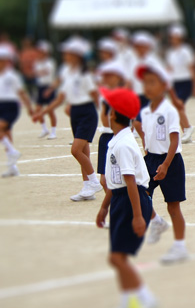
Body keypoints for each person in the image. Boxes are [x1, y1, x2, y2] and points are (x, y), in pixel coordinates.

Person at [94, 87, 157, 308]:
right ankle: (126, 303)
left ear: (112, 114)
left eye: (106, 109)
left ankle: (145, 299)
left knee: (118, 258)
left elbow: (131, 183)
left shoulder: (122, 145)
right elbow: (115, 182)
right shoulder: (117, 140)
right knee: (116, 257)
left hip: (131, 201)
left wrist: (138, 216)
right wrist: (104, 207)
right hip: (121, 199)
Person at [134, 62, 189, 265]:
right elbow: (144, 133)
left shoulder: (169, 111)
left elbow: (175, 139)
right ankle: (156, 221)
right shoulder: (146, 111)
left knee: (173, 207)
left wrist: (165, 165)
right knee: (138, 193)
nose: (147, 87)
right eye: (145, 83)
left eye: (152, 82)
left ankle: (180, 247)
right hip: (151, 159)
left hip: (170, 161)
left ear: (164, 85)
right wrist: (146, 148)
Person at [34, 38, 101, 201]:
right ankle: (87, 188)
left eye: (68, 53)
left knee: (75, 150)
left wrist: (102, 114)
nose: (65, 55)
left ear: (77, 55)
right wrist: (43, 112)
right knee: (83, 151)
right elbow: (61, 97)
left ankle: (94, 181)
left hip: (87, 112)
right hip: (75, 112)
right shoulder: (66, 71)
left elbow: (95, 95)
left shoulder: (85, 74)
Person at [0, 44, 33, 177]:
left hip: (10, 106)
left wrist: (29, 107)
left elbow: (21, 92)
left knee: (1, 129)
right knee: (6, 134)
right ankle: (12, 167)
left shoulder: (12, 75)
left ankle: (13, 152)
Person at [96, 61, 129, 192]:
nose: (106, 78)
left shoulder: (123, 93)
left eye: (110, 75)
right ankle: (112, 203)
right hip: (105, 135)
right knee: (104, 180)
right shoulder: (104, 93)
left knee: (122, 178)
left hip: (118, 136)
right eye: (105, 76)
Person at [166, 24, 195, 143]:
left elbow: (192, 68)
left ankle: (188, 128)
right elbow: (169, 69)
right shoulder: (170, 52)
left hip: (185, 81)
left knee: (178, 106)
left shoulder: (186, 51)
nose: (172, 39)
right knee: (176, 107)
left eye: (174, 36)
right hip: (174, 82)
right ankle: (186, 132)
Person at [33, 40, 58, 139]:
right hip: (40, 87)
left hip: (49, 86)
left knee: (50, 110)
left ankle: (53, 131)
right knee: (38, 109)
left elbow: (46, 73)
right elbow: (37, 73)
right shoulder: (37, 62)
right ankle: (44, 129)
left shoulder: (50, 62)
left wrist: (39, 72)